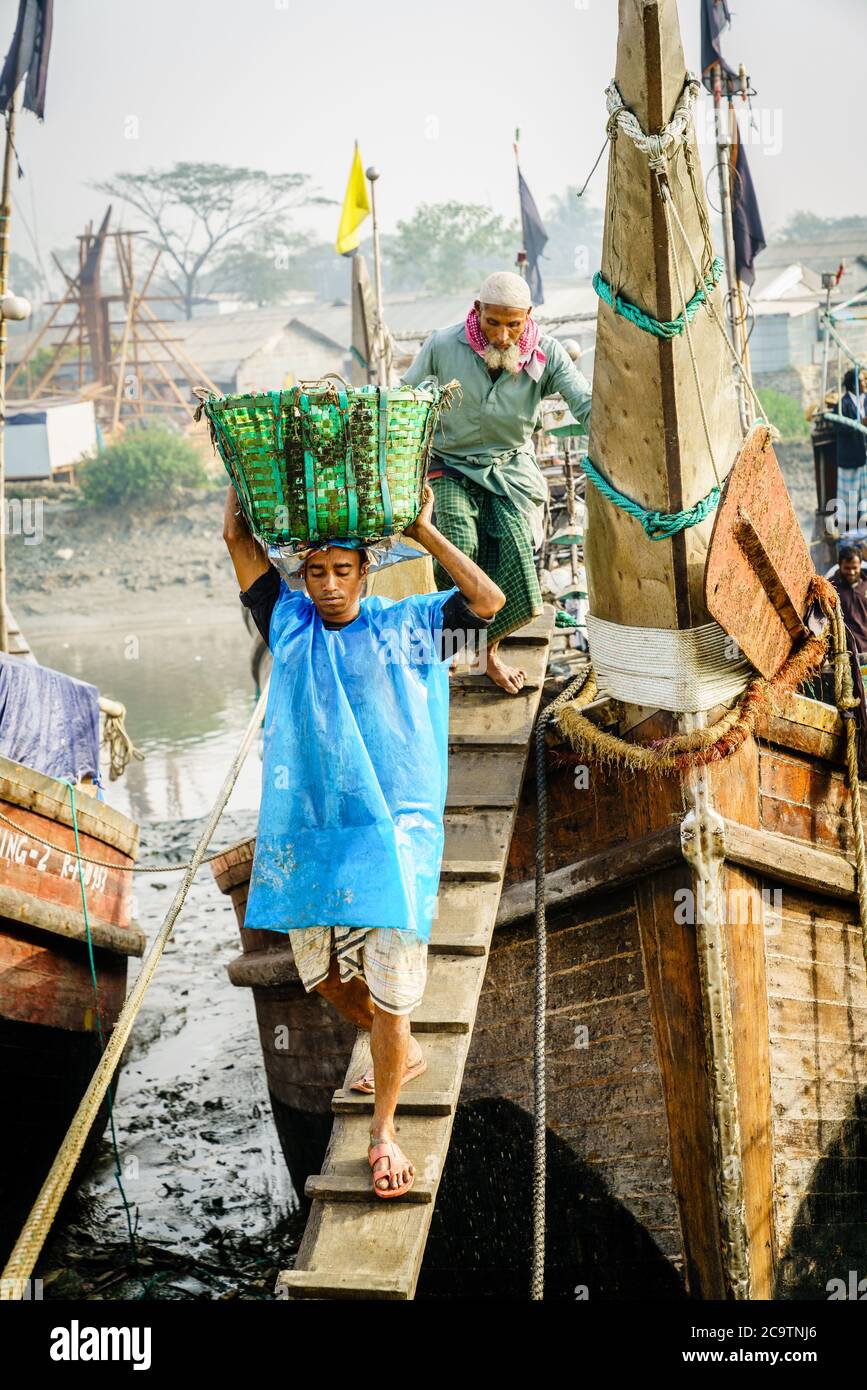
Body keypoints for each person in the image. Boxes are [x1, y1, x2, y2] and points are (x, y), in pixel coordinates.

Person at [222, 484, 504, 1198]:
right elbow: (236, 537)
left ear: (364, 572)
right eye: (315, 571)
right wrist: (244, 474)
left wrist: (425, 533)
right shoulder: (287, 625)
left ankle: (383, 1131)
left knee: (388, 986)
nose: (328, 585)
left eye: (342, 570)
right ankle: (397, 1048)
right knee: (321, 974)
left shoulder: (412, 627)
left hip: (396, 834)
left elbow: (490, 603)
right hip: (316, 827)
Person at [402, 270, 592, 695]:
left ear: (528, 317)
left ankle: (487, 653)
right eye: (493, 323)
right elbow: (404, 399)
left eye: (513, 324)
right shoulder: (442, 344)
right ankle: (449, 649)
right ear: (477, 312)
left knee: (514, 549)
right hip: (448, 465)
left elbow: (585, 404)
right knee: (454, 540)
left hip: (509, 470)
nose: (502, 336)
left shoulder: (549, 354)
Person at [835, 368, 867, 533]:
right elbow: (839, 426)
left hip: (864, 458)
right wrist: (860, 422)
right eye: (862, 380)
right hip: (851, 459)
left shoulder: (866, 400)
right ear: (853, 385)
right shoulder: (842, 404)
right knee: (850, 499)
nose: (865, 383)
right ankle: (849, 530)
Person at [830, 543, 867, 660]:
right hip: (844, 655)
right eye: (847, 568)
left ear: (860, 565)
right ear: (839, 565)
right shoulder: (831, 589)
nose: (851, 572)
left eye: (854, 568)